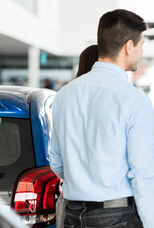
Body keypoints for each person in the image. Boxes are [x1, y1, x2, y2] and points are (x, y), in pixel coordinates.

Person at [50, 9, 154, 228]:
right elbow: (142, 175)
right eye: (141, 44)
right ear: (129, 46)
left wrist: (83, 177)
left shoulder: (65, 93)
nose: (141, 51)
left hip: (72, 216)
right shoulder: (134, 100)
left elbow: (56, 161)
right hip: (116, 217)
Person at [55, 44, 98, 228]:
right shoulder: (113, 99)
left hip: (71, 199)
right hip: (107, 203)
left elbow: (56, 160)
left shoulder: (65, 96)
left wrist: (73, 174)